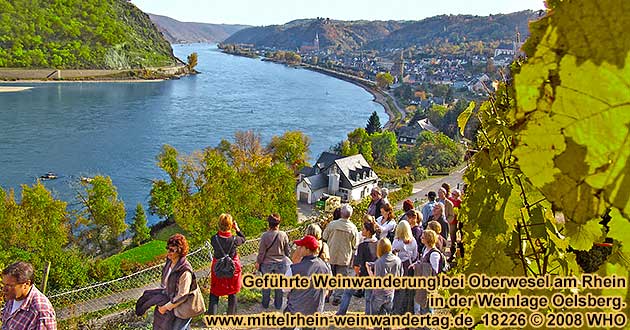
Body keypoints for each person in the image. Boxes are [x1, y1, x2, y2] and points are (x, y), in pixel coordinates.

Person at [283, 235, 332, 330]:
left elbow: (285, 288)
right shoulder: (325, 267)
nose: (299, 248)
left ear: (307, 250)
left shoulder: (294, 269)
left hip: (295, 309)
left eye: (301, 247)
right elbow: (328, 288)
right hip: (314, 312)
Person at [156, 234, 204, 330]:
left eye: (172, 250)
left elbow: (183, 295)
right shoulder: (169, 262)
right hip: (174, 303)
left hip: (186, 306)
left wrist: (165, 307)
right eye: (168, 249)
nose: (168, 252)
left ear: (180, 251)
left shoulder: (185, 271)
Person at [336, 215, 379, 315]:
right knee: (368, 298)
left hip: (362, 274)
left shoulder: (363, 246)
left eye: (363, 229)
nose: (362, 231)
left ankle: (341, 312)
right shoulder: (378, 243)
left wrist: (357, 274)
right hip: (373, 274)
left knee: (348, 292)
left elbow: (357, 264)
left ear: (368, 232)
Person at [322, 204, 360, 306]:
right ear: (350, 215)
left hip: (330, 254)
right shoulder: (353, 228)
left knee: (329, 276)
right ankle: (337, 297)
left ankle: (327, 295)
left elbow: (324, 237)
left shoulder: (332, 224)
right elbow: (355, 244)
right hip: (344, 257)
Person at [208, 213, 246, 315]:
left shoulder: (214, 239)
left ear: (219, 224)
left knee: (215, 291)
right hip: (232, 267)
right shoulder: (235, 240)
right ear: (231, 225)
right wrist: (237, 229)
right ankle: (231, 315)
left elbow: (217, 236)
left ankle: (212, 315)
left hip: (218, 267)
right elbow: (243, 239)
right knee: (232, 291)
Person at [1, 261, 57, 329]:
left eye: (10, 285)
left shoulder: (41, 311)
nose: (4, 289)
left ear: (26, 284)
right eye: (3, 284)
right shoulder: (12, 297)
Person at [256, 214, 290, 310]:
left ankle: (265, 304)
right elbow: (287, 250)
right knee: (279, 286)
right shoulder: (283, 235)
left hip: (267, 263)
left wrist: (258, 262)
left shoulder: (265, 236)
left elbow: (261, 252)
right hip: (280, 263)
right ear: (278, 223)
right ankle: (278, 305)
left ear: (269, 224)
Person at [414, 229, 447, 315]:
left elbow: (433, 270)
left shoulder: (434, 254)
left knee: (428, 306)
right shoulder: (425, 249)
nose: (421, 238)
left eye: (423, 237)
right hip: (422, 282)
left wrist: (420, 266)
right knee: (422, 304)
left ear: (428, 239)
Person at [366, 238, 402, 315]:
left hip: (379, 293)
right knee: (387, 315)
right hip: (391, 292)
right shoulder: (397, 260)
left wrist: (369, 270)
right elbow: (400, 276)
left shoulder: (379, 262)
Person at [391, 221, 418, 315]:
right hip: (408, 265)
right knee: (407, 289)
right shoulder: (413, 241)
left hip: (399, 265)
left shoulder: (396, 241)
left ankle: (397, 310)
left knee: (397, 289)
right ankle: (408, 309)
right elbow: (415, 255)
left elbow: (392, 254)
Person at [438, 187, 455, 254]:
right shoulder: (437, 201)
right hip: (438, 224)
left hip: (445, 224)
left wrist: (446, 221)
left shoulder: (449, 203)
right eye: (438, 193)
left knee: (444, 239)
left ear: (444, 193)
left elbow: (452, 215)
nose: (439, 194)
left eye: (440, 193)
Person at [449, 189, 463, 261]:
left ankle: (453, 253)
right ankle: (452, 254)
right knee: (451, 238)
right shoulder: (449, 200)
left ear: (458, 195)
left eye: (454, 194)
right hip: (449, 221)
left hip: (455, 222)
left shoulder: (459, 202)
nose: (452, 195)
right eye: (452, 194)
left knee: (453, 238)